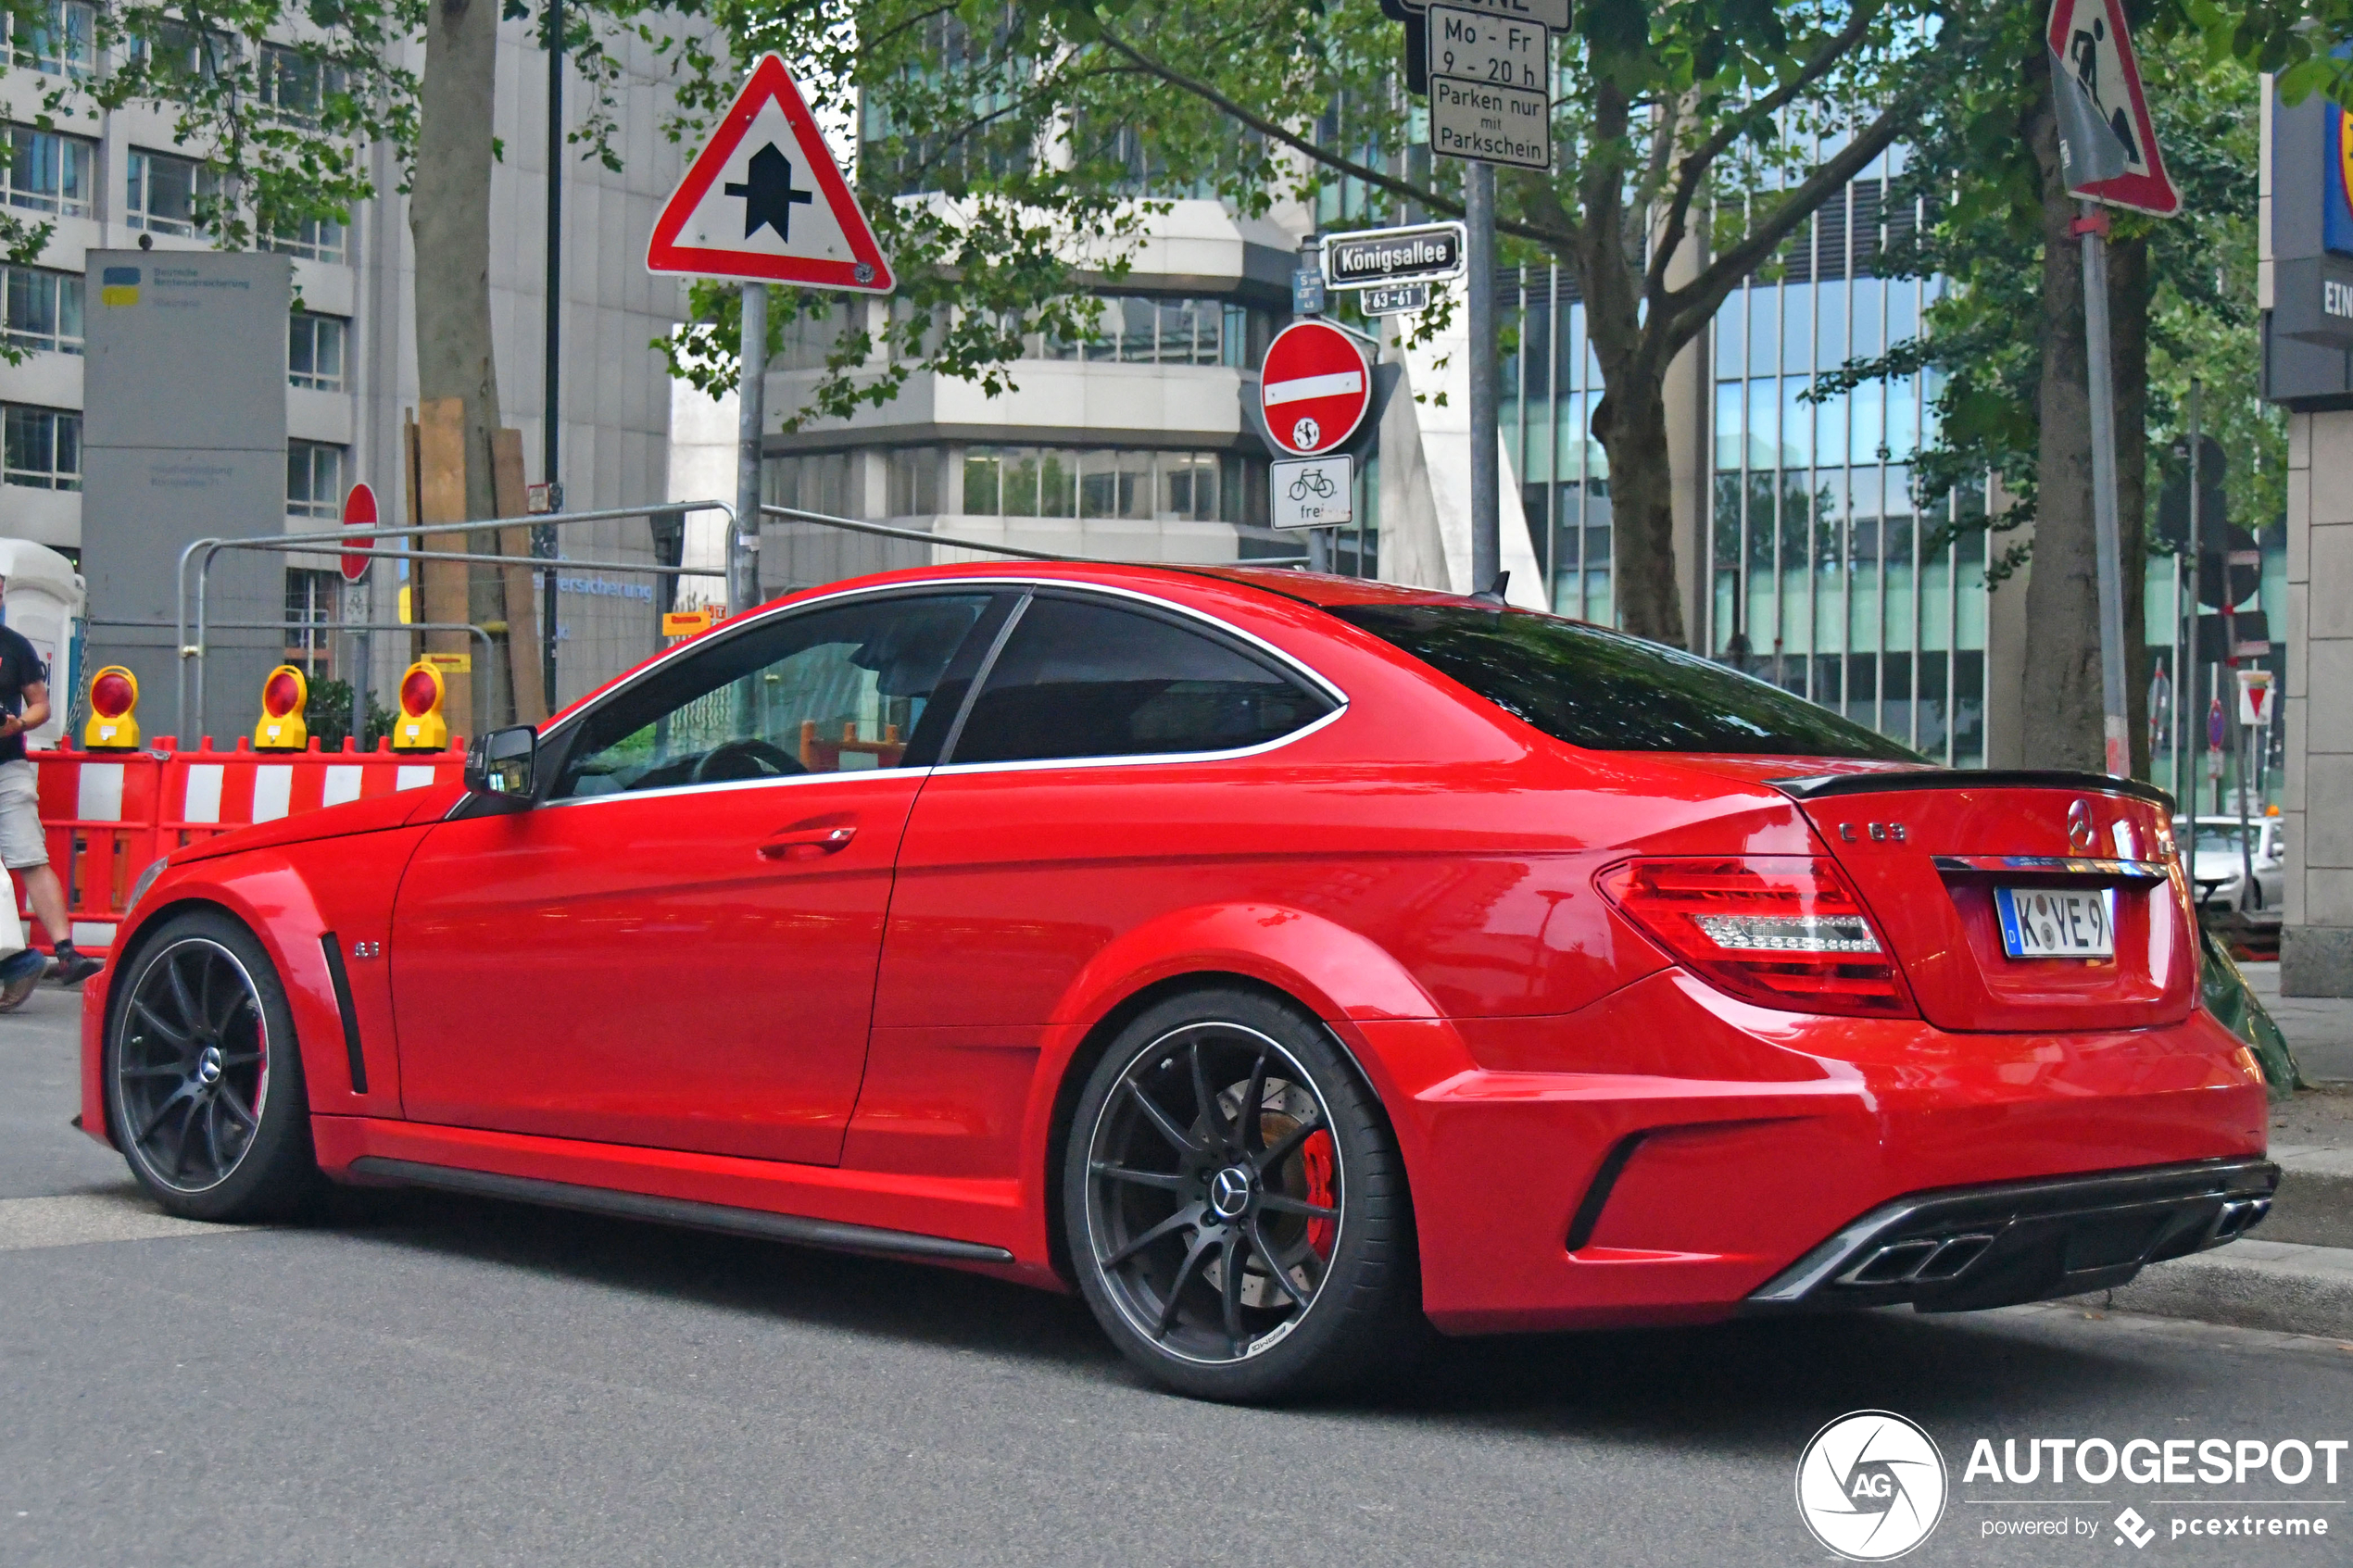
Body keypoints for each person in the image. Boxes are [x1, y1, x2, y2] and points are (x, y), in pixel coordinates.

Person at [0, 574, 100, 986]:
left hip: (7, 763)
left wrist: (18, 723)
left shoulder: (14, 645)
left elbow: (41, 704)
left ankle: (65, 952)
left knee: (31, 856)